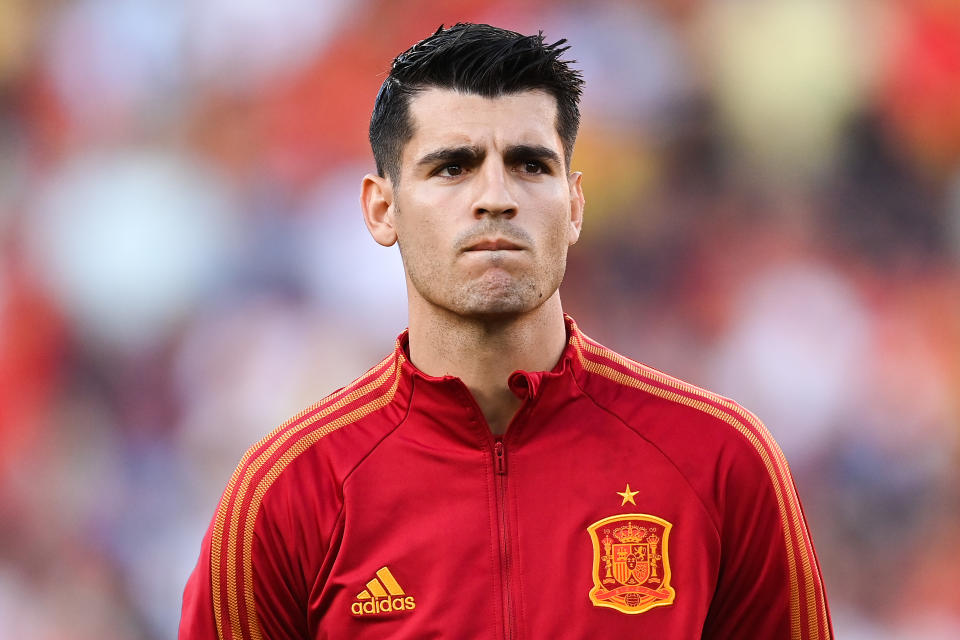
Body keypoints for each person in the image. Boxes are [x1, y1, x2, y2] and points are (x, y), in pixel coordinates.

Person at [180, 23, 833, 639]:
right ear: (383, 210)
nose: (496, 196)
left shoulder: (720, 460)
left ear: (574, 205)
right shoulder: (289, 492)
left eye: (529, 165)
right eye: (452, 167)